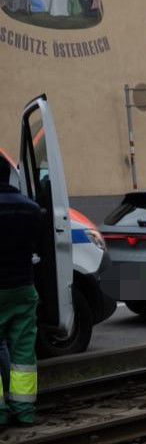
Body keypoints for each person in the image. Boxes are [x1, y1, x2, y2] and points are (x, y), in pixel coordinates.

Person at [0, 156, 46, 426]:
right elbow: (38, 249)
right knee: (23, 353)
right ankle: (25, 411)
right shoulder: (30, 209)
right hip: (23, 287)